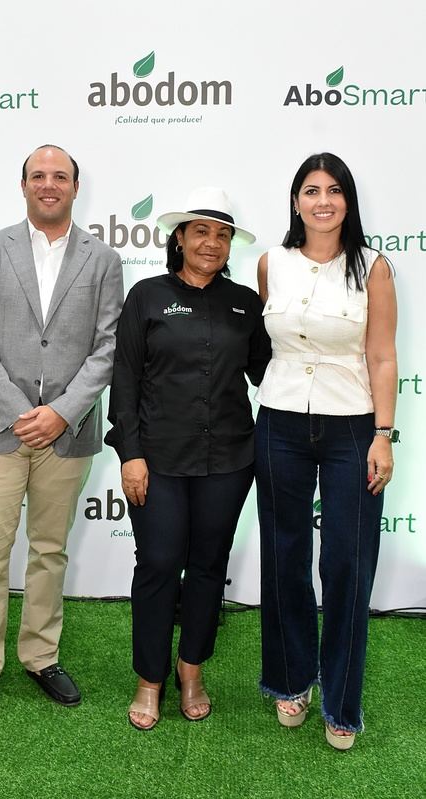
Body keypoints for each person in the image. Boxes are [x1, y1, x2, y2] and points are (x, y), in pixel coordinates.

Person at [0, 144, 123, 732]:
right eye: (38, 176)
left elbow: (108, 346)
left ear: (76, 186)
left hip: (66, 435)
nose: (49, 184)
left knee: (50, 550)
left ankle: (41, 656)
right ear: (23, 185)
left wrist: (62, 413)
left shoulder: (104, 259)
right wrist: (22, 410)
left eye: (60, 176)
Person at [105, 187, 271, 730]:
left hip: (230, 459)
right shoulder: (147, 296)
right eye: (200, 231)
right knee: (157, 564)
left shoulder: (244, 303)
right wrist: (130, 453)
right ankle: (149, 678)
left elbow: (268, 372)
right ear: (179, 238)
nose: (211, 242)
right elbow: (124, 378)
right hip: (157, 460)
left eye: (222, 234)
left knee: (208, 566)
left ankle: (191, 669)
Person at [255, 153, 398, 750]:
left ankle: (342, 701)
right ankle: (291, 680)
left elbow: (382, 356)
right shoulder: (272, 263)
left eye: (334, 190)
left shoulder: (373, 267)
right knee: (284, 556)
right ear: (296, 201)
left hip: (352, 428)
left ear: (348, 201)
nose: (322, 201)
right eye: (311, 190)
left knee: (347, 563)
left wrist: (383, 433)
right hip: (280, 422)